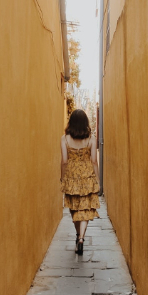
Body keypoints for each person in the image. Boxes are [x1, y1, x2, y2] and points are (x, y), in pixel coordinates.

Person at [60, 109, 100, 255]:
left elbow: (64, 161)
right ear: (85, 123)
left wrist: (63, 178)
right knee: (85, 209)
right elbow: (94, 162)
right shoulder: (91, 138)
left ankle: (78, 236)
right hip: (87, 176)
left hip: (72, 176)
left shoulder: (64, 139)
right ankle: (81, 238)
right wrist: (97, 180)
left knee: (74, 208)